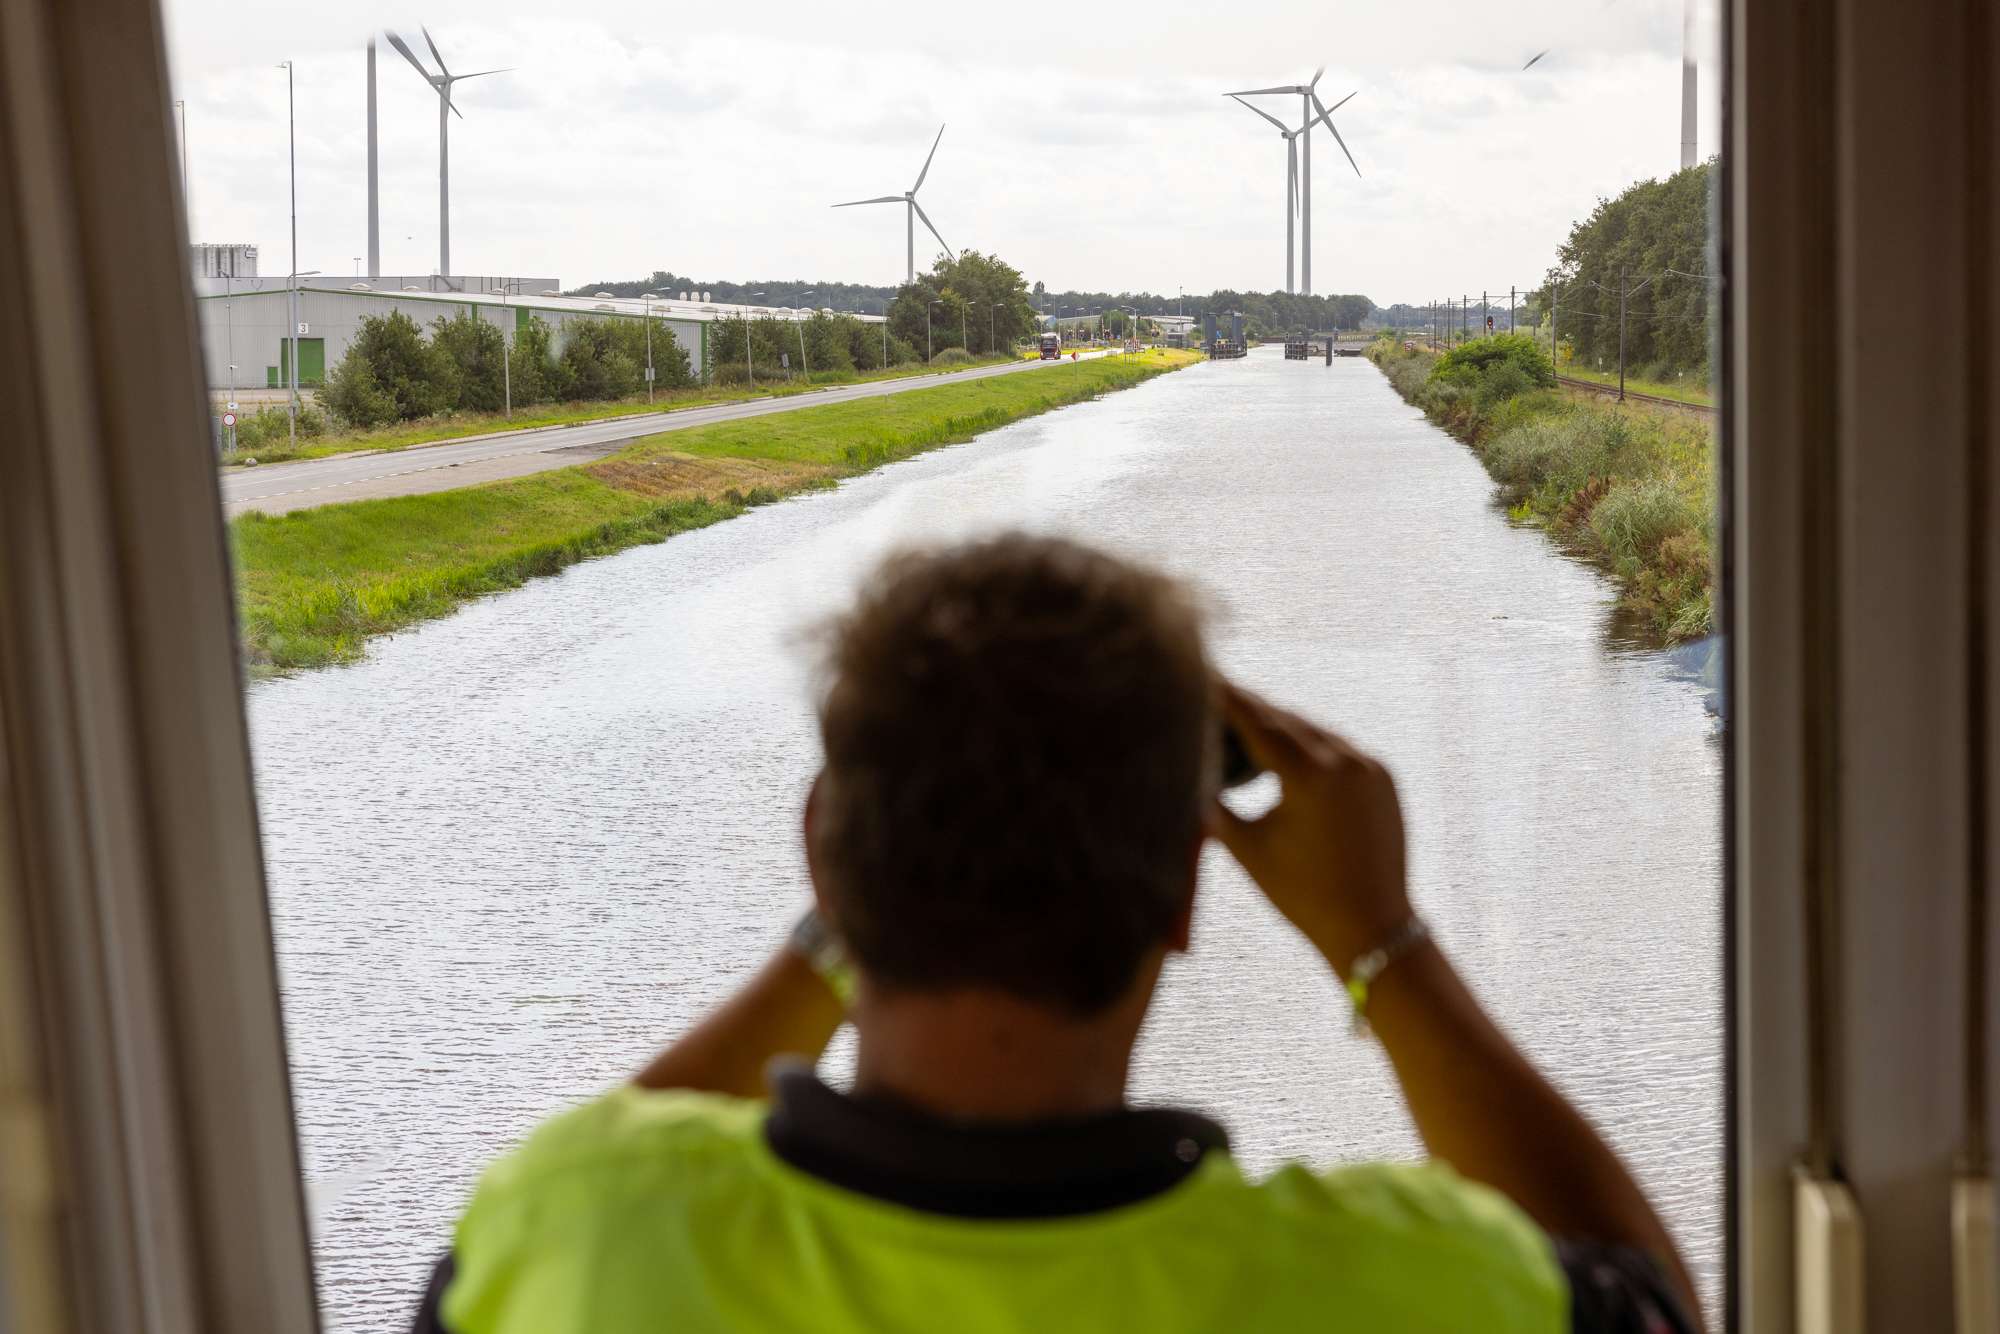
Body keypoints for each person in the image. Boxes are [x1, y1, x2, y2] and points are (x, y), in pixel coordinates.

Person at [412, 533, 1700, 1334]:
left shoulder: (587, 1239)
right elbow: (1651, 1304)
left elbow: (580, 1173)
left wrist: (838, 926)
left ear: (825, 849)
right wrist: (1383, 942)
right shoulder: (1400, 1287)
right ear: (1191, 888)